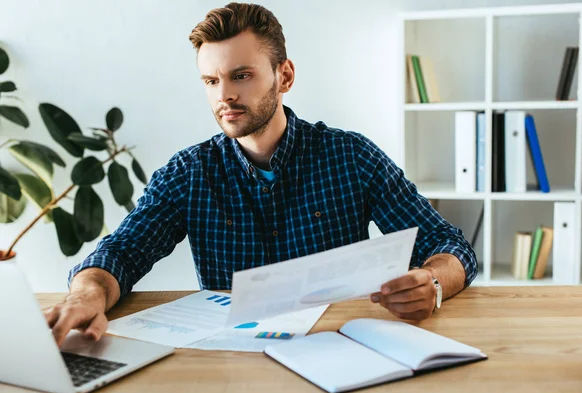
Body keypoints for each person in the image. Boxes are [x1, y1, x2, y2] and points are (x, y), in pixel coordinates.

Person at [44, 2, 477, 346]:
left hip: (340, 347)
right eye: (211, 81)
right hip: (232, 360)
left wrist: (433, 282)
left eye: (242, 76)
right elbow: (121, 252)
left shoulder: (352, 156)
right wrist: (86, 294)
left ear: (283, 75)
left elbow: (448, 244)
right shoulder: (188, 174)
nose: (225, 94)